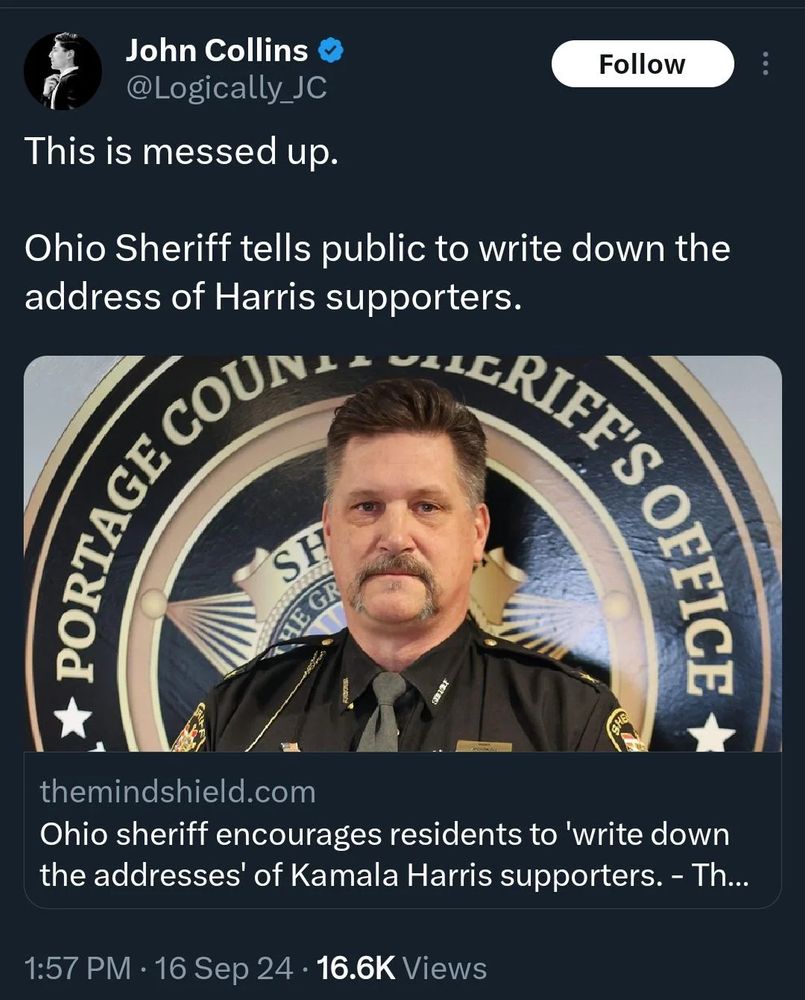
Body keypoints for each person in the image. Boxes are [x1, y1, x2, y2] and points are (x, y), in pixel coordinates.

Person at [172, 378, 647, 753]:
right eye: (366, 506)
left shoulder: (568, 720)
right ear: (330, 531)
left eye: (427, 507)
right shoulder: (238, 718)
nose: (395, 537)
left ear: (477, 532)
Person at [42, 33, 94, 110]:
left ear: (69, 54)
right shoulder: (65, 80)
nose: (50, 55)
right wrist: (46, 95)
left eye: (55, 50)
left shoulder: (73, 80)